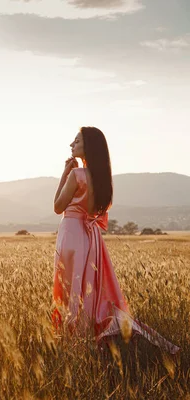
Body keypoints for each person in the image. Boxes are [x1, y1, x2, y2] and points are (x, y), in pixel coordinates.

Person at [52, 126, 179, 354]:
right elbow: (92, 211)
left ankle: (72, 339)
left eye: (77, 140)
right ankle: (88, 335)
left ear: (88, 146)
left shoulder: (76, 175)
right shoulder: (101, 178)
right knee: (86, 287)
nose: (72, 144)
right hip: (90, 238)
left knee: (69, 285)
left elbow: (57, 206)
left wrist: (64, 173)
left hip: (71, 234)